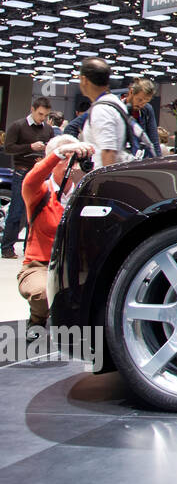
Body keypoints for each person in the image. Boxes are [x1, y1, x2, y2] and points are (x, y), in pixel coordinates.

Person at [18, 135, 94, 341]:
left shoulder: (85, 194)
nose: (71, 163)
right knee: (41, 292)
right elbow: (32, 178)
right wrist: (59, 153)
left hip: (75, 265)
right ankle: (37, 319)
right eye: (65, 157)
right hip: (40, 264)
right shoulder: (40, 192)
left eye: (74, 157)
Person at [2, 96, 53, 260]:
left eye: (45, 115)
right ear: (32, 109)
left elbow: (51, 148)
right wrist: (30, 147)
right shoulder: (18, 126)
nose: (42, 118)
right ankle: (7, 247)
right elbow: (8, 148)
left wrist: (44, 156)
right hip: (21, 172)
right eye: (40, 114)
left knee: (36, 213)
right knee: (17, 211)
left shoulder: (48, 129)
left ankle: (30, 249)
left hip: (39, 174)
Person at [77, 56, 141, 169]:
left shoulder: (102, 109)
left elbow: (109, 151)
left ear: (84, 80)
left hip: (104, 179)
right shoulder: (114, 102)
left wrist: (106, 184)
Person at [125, 78, 161, 156]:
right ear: (131, 92)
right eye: (139, 100)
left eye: (146, 102)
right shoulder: (119, 108)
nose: (141, 104)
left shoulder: (147, 109)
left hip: (139, 157)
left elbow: (154, 140)